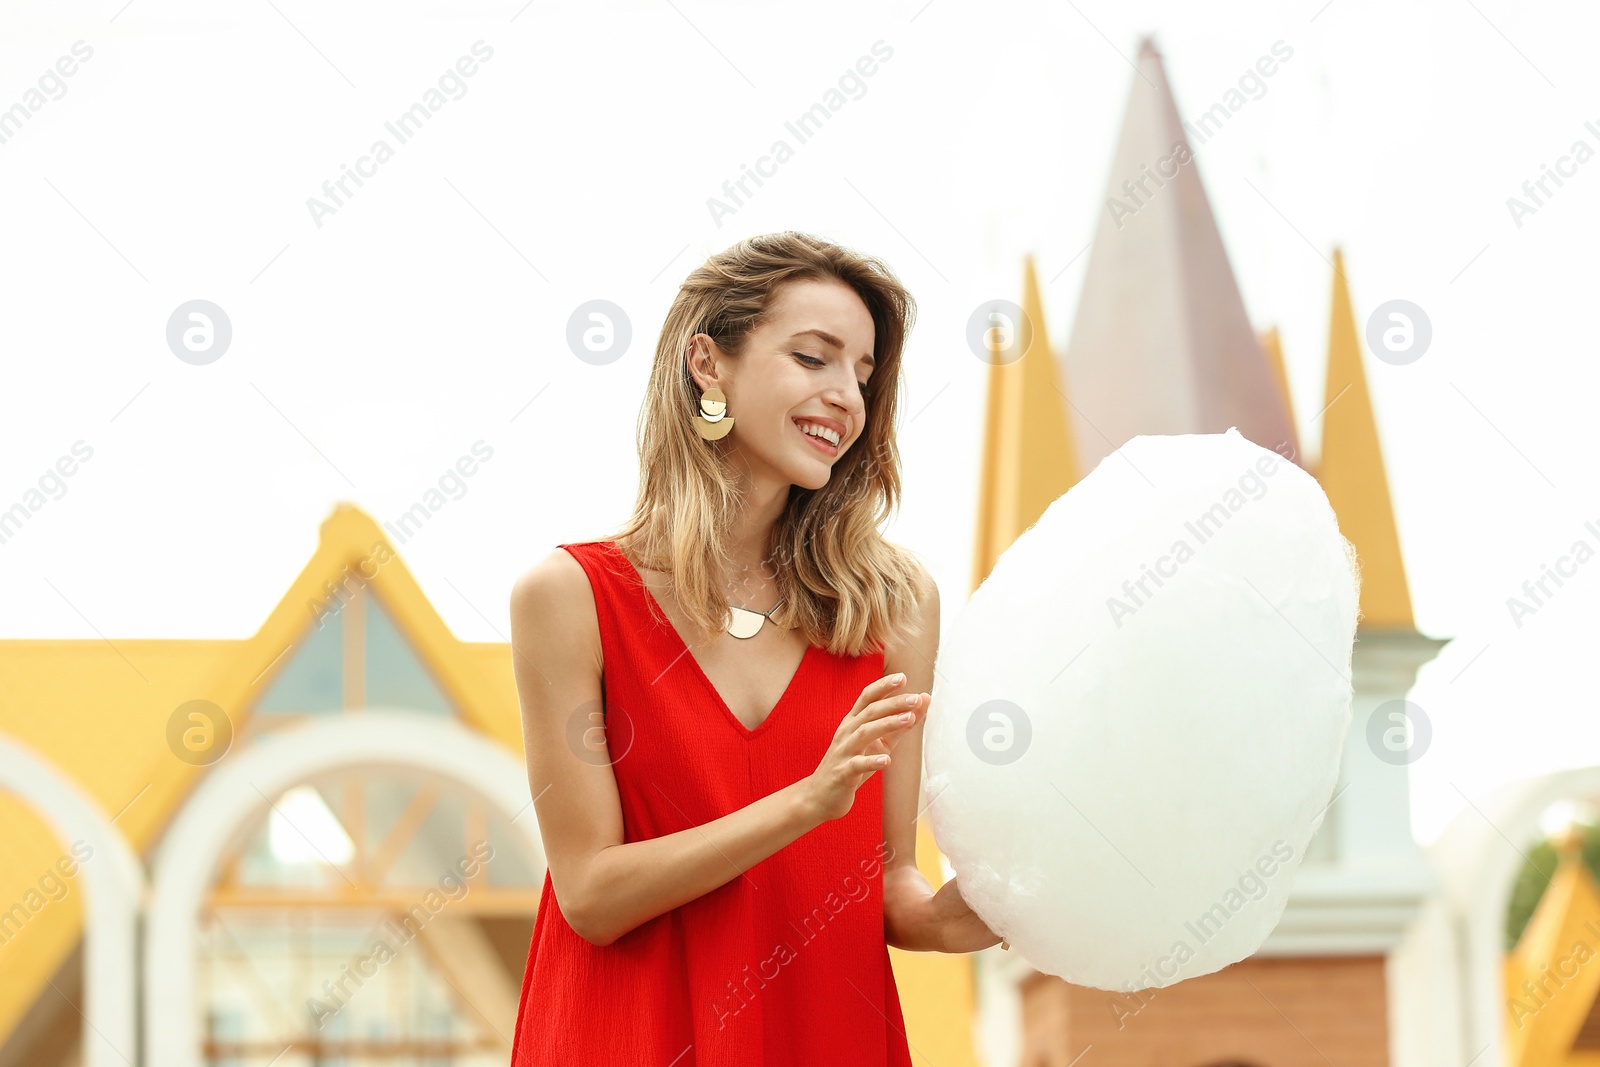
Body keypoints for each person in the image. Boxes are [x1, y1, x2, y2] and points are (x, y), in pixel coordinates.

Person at [506, 231, 1001, 1066]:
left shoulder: (894, 607)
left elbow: (888, 886)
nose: (847, 395)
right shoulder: (569, 598)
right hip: (624, 1038)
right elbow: (591, 892)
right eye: (815, 358)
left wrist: (992, 906)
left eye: (865, 375)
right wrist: (805, 802)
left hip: (822, 1035)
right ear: (709, 363)